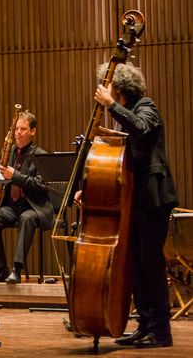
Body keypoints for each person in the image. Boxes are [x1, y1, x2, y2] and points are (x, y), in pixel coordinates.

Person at [91, 63, 177, 348]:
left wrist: (111, 105)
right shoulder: (125, 114)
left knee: (151, 265)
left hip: (153, 201)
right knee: (136, 266)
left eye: (109, 85)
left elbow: (140, 128)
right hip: (133, 201)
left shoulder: (146, 106)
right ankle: (143, 325)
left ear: (119, 87)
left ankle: (161, 331)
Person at [0, 110, 54, 284]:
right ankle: (1, 269)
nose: (18, 133)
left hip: (34, 207)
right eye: (16, 129)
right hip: (12, 206)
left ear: (32, 131)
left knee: (26, 219)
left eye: (23, 129)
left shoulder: (40, 155)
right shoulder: (10, 152)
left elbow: (41, 185)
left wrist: (15, 176)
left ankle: (17, 269)